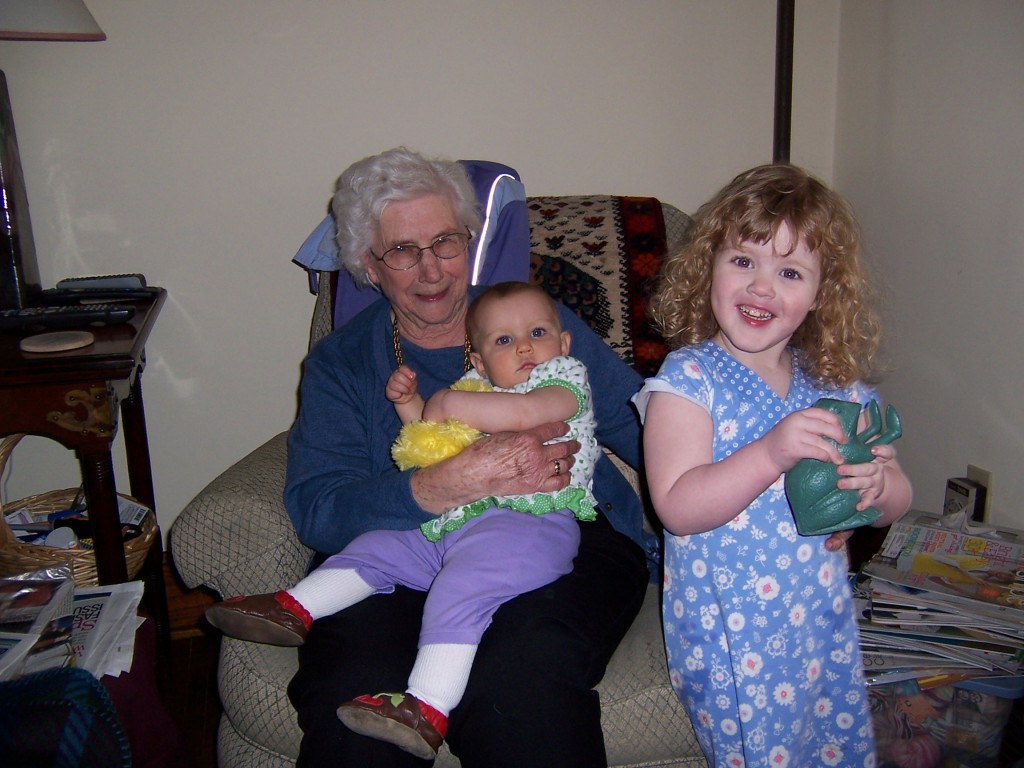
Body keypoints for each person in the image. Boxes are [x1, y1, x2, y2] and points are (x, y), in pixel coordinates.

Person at [271, 147, 653, 767]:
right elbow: (319, 507)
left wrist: (741, 488)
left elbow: (643, 423)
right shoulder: (342, 364)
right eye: (402, 250)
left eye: (445, 241)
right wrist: (438, 486)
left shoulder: (532, 323)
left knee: (523, 673)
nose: (430, 270)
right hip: (406, 547)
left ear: (470, 241)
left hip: (566, 535)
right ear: (369, 264)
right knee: (353, 694)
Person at [205, 281, 602, 759]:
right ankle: (294, 608)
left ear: (562, 344)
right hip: (459, 523)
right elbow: (434, 440)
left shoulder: (561, 381)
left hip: (531, 527)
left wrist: (447, 403)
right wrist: (410, 405)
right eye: (503, 341)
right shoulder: (476, 388)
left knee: (460, 590)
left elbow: (523, 413)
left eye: (537, 332)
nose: (523, 347)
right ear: (478, 361)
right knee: (378, 548)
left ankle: (426, 706)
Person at [632, 163, 913, 767]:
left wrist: (880, 483)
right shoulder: (688, 381)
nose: (762, 287)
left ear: (820, 295)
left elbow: (896, 499)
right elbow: (678, 507)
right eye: (743, 261)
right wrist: (770, 453)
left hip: (819, 627)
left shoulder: (834, 386)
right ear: (707, 266)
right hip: (732, 636)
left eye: (790, 272)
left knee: (832, 752)